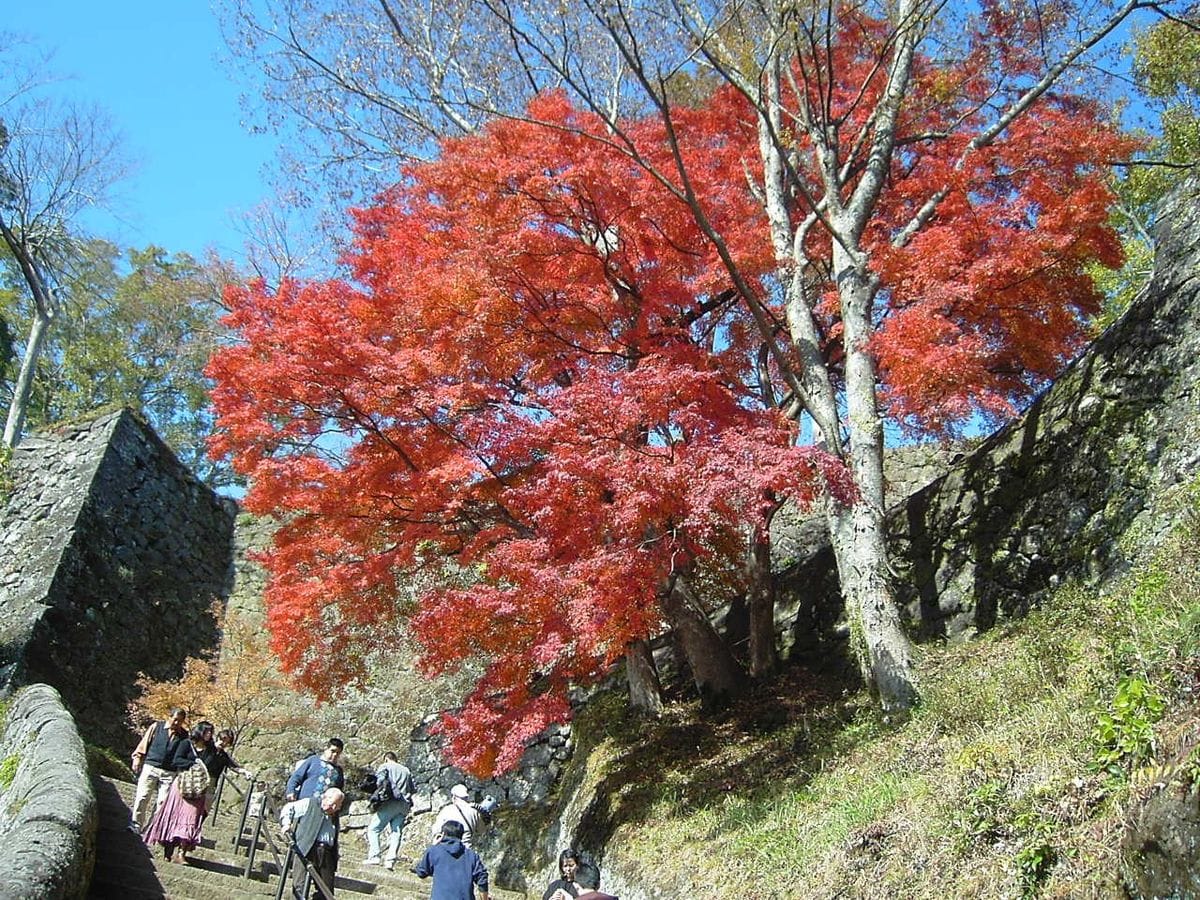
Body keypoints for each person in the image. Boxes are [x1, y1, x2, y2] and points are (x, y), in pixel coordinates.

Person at [141, 723, 208, 864]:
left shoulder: (211, 750)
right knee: (173, 817)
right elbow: (177, 760)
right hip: (182, 785)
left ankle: (181, 854)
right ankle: (168, 851)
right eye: (207, 732)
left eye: (211, 732)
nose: (209, 735)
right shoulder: (186, 743)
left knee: (191, 819)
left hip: (198, 789)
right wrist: (193, 763)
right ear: (200, 732)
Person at [129, 708, 189, 833]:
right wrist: (137, 758)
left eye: (181, 721)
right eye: (175, 720)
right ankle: (136, 824)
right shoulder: (157, 727)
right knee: (142, 796)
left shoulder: (184, 735)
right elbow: (144, 743)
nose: (177, 723)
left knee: (162, 802)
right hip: (151, 766)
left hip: (169, 772)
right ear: (170, 717)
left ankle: (152, 828)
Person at [280, 786, 345, 899]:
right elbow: (289, 808)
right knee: (299, 885)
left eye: (338, 805)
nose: (335, 807)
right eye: (333, 803)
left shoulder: (334, 813)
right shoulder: (310, 803)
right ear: (325, 798)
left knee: (326, 891)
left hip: (326, 853)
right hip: (306, 847)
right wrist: (286, 823)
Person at [412, 819, 489, 900]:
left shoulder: (434, 851)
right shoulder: (472, 856)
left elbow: (422, 872)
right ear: (461, 836)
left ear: (443, 834)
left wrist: (434, 845)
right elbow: (482, 879)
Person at [364, 750, 416, 871]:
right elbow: (413, 789)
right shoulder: (406, 770)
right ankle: (390, 860)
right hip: (404, 805)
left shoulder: (385, 766)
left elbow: (380, 782)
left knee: (374, 829)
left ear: (386, 759)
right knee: (396, 832)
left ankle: (374, 856)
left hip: (389, 802)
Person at [196, 724, 252, 814]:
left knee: (204, 812)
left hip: (211, 785)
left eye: (227, 742)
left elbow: (233, 766)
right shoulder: (206, 747)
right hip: (197, 780)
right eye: (222, 740)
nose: (223, 743)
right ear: (218, 737)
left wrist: (244, 772)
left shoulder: (223, 756)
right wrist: (214, 748)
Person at [286, 737, 345, 802]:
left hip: (323, 808)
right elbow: (296, 777)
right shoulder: (314, 760)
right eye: (333, 751)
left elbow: (338, 791)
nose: (335, 755)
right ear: (326, 749)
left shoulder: (338, 771)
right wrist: (290, 791)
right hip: (305, 803)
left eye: (338, 753)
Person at [430, 783, 483, 848]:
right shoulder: (474, 811)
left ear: (454, 797)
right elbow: (481, 830)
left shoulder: (446, 810)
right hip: (466, 850)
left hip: (447, 849)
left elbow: (436, 830)